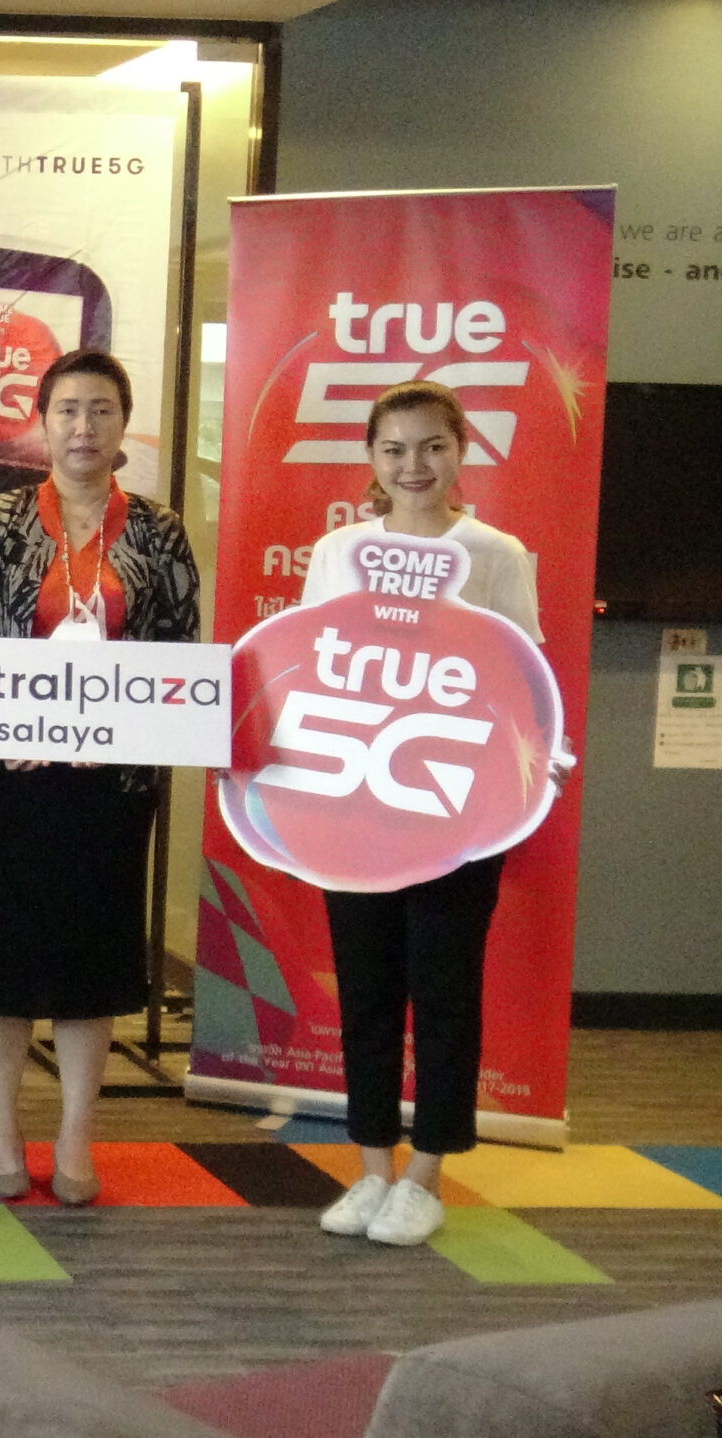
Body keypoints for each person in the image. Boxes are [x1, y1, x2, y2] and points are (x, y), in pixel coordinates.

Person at [0, 350, 199, 1206]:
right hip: (8, 786)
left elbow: (178, 658)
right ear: (42, 423)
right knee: (1, 968)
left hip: (107, 791)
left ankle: (76, 1136)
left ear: (124, 425)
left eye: (102, 410)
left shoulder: (157, 530)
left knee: (90, 968)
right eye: (68, 410)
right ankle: (3, 1136)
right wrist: (6, 734)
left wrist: (120, 737)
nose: (85, 427)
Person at [306, 380, 560, 1248]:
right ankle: (373, 1168)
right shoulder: (339, 550)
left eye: (431, 446)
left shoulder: (495, 553)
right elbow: (311, 666)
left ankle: (425, 1177)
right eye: (394, 449)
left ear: (462, 451)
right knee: (366, 993)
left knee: (445, 994)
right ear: (371, 459)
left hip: (460, 814)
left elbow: (524, 680)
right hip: (355, 809)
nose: (413, 465)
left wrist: (527, 773)